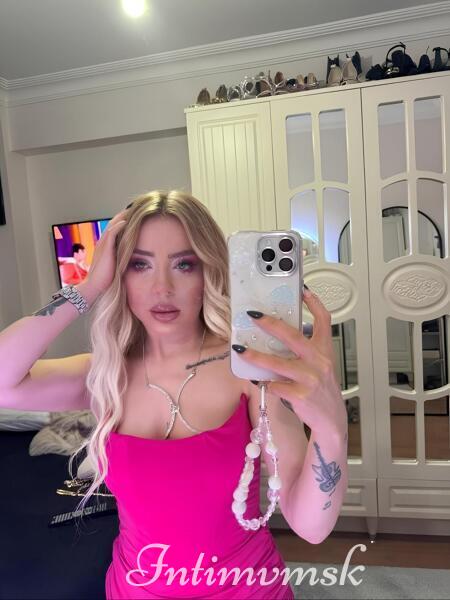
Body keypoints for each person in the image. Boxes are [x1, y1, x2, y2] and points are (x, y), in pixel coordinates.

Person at [0, 189, 348, 599]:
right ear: (119, 274)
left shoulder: (248, 371)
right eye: (139, 264)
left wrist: (332, 430)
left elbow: (310, 526)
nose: (161, 287)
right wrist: (89, 288)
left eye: (184, 264)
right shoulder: (106, 374)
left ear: (209, 272)